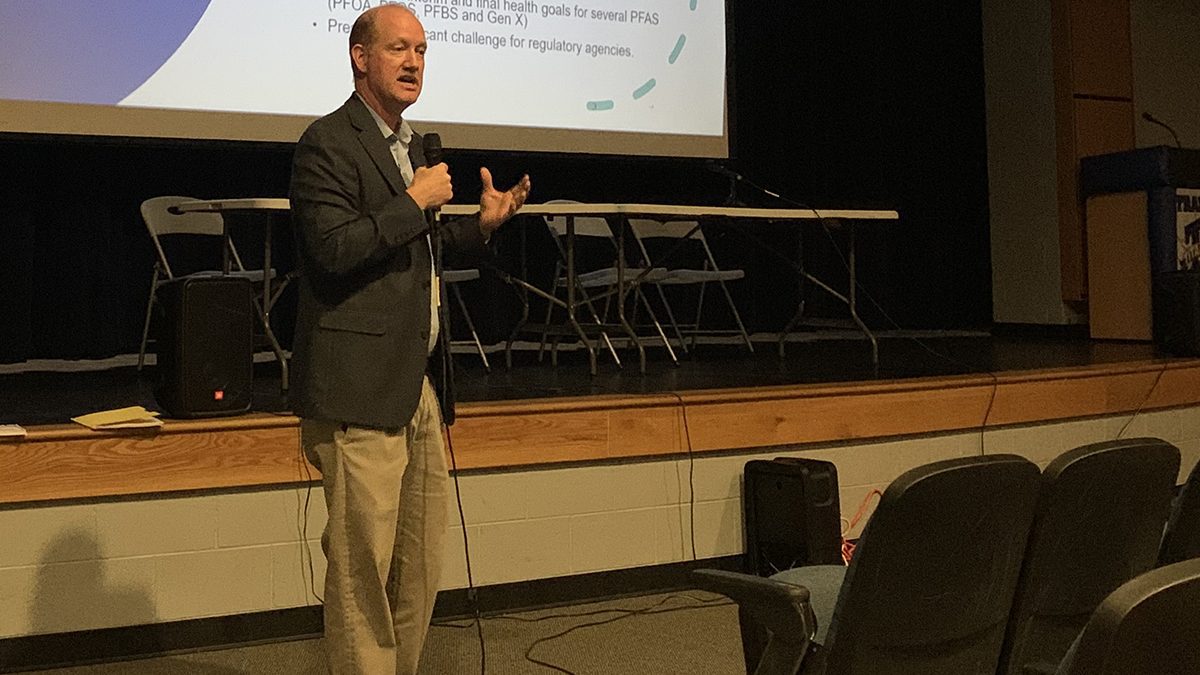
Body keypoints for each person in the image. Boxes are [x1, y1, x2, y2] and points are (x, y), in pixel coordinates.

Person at [288, 5, 531, 673]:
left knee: (420, 563)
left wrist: (480, 226)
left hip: (417, 384)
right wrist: (415, 199)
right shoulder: (327, 142)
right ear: (360, 57)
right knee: (362, 570)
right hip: (357, 388)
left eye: (422, 49)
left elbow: (410, 246)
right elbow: (334, 250)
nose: (414, 61)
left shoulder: (410, 145)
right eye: (398, 48)